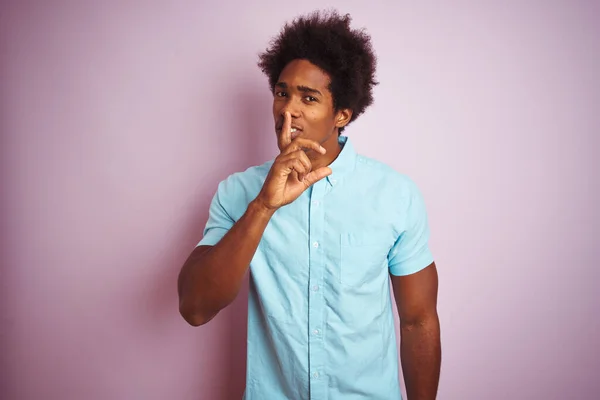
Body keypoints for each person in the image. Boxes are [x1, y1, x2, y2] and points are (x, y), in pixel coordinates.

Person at [178, 10, 441, 400]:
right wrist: (264, 206)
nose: (289, 110)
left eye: (309, 98)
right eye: (282, 93)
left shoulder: (395, 195)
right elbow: (196, 308)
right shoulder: (237, 193)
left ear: (342, 115)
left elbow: (418, 321)